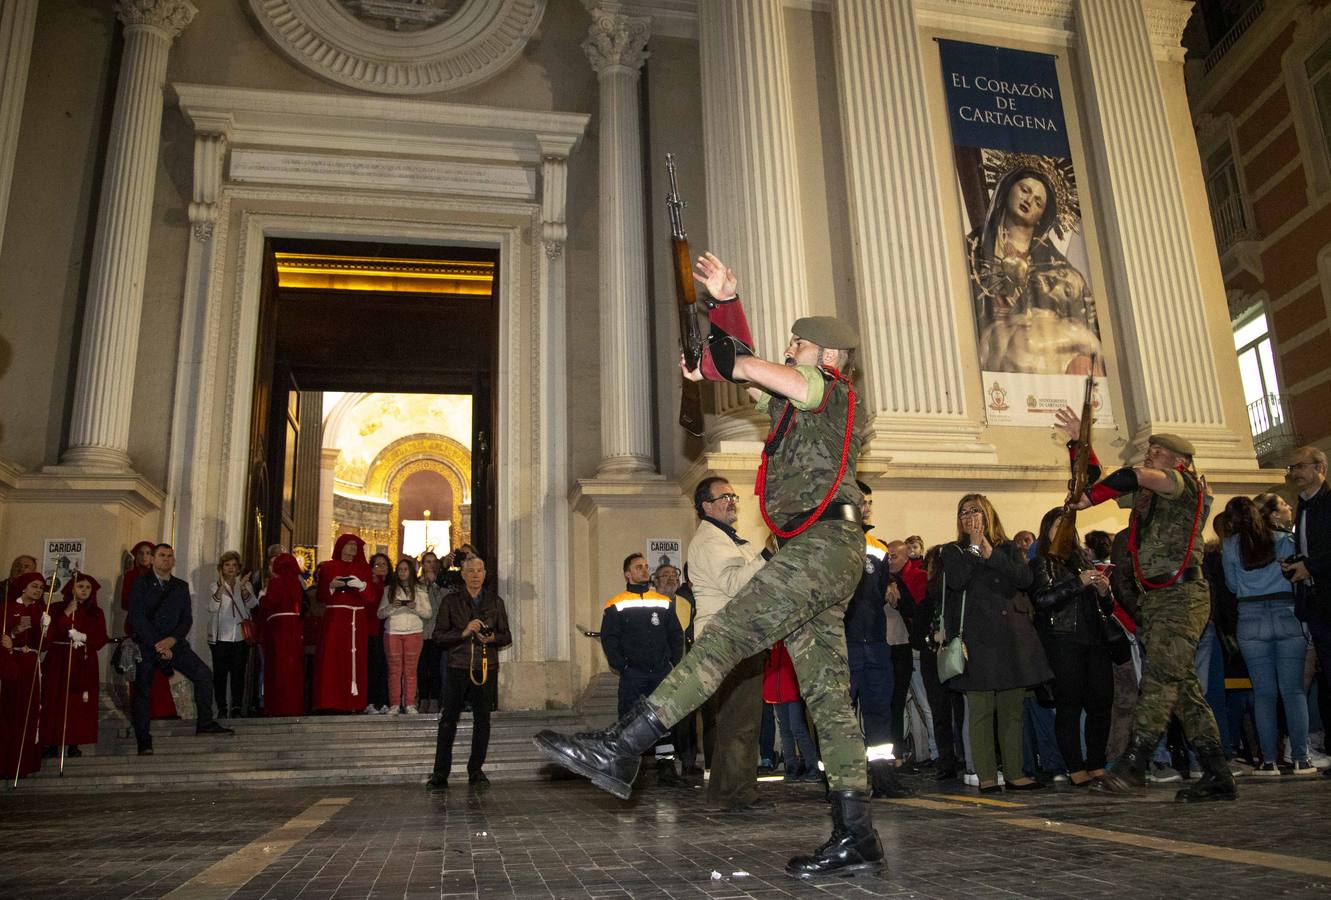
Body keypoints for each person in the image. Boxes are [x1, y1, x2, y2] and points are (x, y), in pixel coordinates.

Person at [536, 252, 883, 879]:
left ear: (829, 355)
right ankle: (855, 831)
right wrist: (724, 304)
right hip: (827, 554)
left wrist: (721, 356)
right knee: (828, 695)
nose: (790, 350)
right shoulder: (798, 404)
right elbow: (748, 373)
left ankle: (624, 747)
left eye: (798, 344)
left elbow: (747, 367)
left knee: (725, 639)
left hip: (822, 550)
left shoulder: (828, 391)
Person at [1056, 410, 1233, 802]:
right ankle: (1219, 773)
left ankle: (1134, 761)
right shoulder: (1152, 494)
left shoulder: (1182, 484)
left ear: (1178, 461)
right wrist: (1079, 445)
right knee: (1181, 687)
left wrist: (1088, 498)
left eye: (1157, 451)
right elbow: (1106, 482)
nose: (1149, 455)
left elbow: (1129, 477)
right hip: (1157, 600)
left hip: (1182, 597)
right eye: (1149, 450)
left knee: (1157, 681)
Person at [937, 494, 1051, 793]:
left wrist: (992, 554)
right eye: (963, 512)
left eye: (975, 510)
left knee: (1012, 709)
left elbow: (1024, 579)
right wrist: (975, 549)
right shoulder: (953, 551)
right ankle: (986, 775)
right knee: (981, 709)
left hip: (1011, 638)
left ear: (988, 514)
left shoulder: (1007, 548)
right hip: (977, 640)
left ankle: (1015, 773)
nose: (968, 516)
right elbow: (957, 581)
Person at [967, 165, 1103, 376]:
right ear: (1008, 189)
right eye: (1025, 190)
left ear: (1042, 215)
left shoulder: (1057, 268)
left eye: (1038, 202)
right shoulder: (972, 249)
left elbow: (1085, 322)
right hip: (988, 360)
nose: (1029, 201)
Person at [685, 476, 769, 809]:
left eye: (734, 495)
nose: (732, 501)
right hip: (728, 639)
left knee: (735, 721)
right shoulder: (710, 541)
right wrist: (766, 556)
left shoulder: (728, 539)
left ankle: (723, 793)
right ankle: (738, 795)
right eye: (725, 497)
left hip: (737, 637)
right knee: (740, 721)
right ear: (706, 506)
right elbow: (736, 584)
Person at [1222, 496, 1315, 775]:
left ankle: (1268, 761)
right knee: (1294, 691)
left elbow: (1231, 583)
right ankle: (1301, 759)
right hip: (1286, 613)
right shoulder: (1284, 539)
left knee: (1263, 694)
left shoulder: (1230, 545)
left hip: (1250, 617)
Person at [1029, 507, 1115, 786]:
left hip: (1094, 639)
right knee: (1069, 706)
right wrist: (1078, 584)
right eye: (1057, 525)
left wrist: (1103, 591)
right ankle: (1075, 765)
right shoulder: (1041, 563)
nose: (1063, 530)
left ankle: (1097, 762)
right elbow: (1042, 600)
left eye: (1067, 525)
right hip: (1063, 640)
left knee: (1101, 702)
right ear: (1047, 530)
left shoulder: (1083, 559)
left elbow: (1106, 607)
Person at [128, 544, 234, 754]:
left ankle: (205, 723)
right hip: (148, 646)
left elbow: (187, 618)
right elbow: (136, 617)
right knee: (143, 691)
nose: (166, 559)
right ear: (153, 560)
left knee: (203, 675)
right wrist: (157, 644)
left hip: (175, 644)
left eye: (170, 556)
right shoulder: (140, 584)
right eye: (161, 556)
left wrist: (172, 640)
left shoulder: (180, 586)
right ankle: (143, 740)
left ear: (174, 560)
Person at [844, 480, 911, 797]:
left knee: (880, 712)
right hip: (845, 644)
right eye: (862, 501)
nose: (868, 507)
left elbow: (880, 590)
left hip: (876, 644)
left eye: (870, 501)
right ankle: (842, 782)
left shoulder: (879, 548)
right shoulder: (832, 541)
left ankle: (883, 778)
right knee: (842, 714)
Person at [599, 553, 684, 787]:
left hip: (660, 672)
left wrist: (672, 663)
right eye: (639, 567)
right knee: (629, 721)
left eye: (646, 567)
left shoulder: (663, 601)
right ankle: (627, 772)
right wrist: (623, 666)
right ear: (627, 574)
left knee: (664, 721)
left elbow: (676, 635)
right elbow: (610, 639)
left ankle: (666, 770)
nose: (645, 570)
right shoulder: (615, 603)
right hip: (633, 673)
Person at [427, 555, 511, 789]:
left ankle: (476, 770)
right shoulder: (450, 602)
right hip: (458, 666)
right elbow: (439, 636)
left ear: (485, 574)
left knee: (482, 720)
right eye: (471, 571)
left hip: (486, 667)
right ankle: (440, 773)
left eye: (479, 570)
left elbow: (506, 635)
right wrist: (463, 632)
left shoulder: (496, 602)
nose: (475, 575)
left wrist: (492, 637)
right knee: (448, 720)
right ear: (462, 574)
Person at [40, 574, 108, 760]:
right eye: (80, 586)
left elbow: (101, 637)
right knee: (55, 700)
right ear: (71, 588)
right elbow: (50, 634)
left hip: (83, 660)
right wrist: (66, 614)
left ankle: (74, 742)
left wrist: (85, 637)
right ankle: (51, 743)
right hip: (59, 659)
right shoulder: (56, 608)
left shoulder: (96, 612)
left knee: (77, 703)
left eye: (87, 587)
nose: (84, 590)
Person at [313, 535, 379, 713]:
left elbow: (372, 597)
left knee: (355, 660)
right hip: (335, 617)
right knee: (333, 658)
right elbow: (321, 596)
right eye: (349, 544)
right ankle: (330, 701)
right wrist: (332, 586)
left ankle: (354, 702)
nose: (353, 547)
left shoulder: (364, 568)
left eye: (355, 544)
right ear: (340, 546)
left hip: (357, 618)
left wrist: (362, 586)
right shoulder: (328, 567)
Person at [122, 539, 176, 720]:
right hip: (139, 627)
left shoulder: (161, 577)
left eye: (148, 553)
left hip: (159, 628)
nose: (145, 557)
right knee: (142, 669)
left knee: (159, 670)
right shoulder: (132, 576)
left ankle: (162, 710)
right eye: (141, 553)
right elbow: (126, 602)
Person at [2, 571, 48, 779]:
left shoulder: (40, 610)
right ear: (23, 587)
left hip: (32, 665)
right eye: (34, 586)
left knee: (31, 712)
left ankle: (25, 764)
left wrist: (45, 629)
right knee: (12, 712)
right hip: (14, 662)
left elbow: (44, 645)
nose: (38, 590)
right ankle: (7, 763)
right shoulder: (9, 608)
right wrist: (12, 633)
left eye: (40, 587)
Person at [207, 550, 258, 718]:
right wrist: (222, 587)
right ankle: (222, 707)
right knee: (220, 674)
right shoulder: (214, 586)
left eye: (234, 565)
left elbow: (252, 605)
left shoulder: (245, 585)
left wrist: (242, 589)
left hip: (240, 637)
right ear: (221, 568)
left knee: (238, 674)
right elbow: (212, 608)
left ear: (238, 568)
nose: (230, 568)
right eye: (227, 565)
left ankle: (236, 706)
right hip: (220, 638)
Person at [379, 557, 431, 715]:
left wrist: (415, 607)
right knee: (394, 670)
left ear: (411, 571)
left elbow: (428, 613)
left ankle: (409, 704)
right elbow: (380, 614)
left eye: (405, 569)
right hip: (393, 632)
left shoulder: (420, 590)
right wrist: (391, 607)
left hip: (414, 632)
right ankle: (394, 704)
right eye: (400, 569)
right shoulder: (389, 590)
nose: (402, 572)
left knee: (410, 670)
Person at [765, 640, 821, 781]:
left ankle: (812, 766)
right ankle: (792, 767)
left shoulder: (790, 639)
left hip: (791, 686)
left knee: (797, 728)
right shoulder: (775, 641)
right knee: (785, 729)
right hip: (778, 687)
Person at [260, 553, 305, 717]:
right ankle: (293, 706)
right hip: (294, 627)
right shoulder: (297, 583)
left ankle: (278, 706)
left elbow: (269, 603)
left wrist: (262, 598)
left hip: (279, 628)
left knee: (278, 667)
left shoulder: (276, 582)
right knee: (293, 669)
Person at [365, 552, 392, 714]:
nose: (381, 568)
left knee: (387, 667)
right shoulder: (368, 584)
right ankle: (370, 702)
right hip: (372, 629)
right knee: (372, 666)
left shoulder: (392, 585)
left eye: (384, 565)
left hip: (389, 629)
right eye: (377, 565)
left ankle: (385, 702)